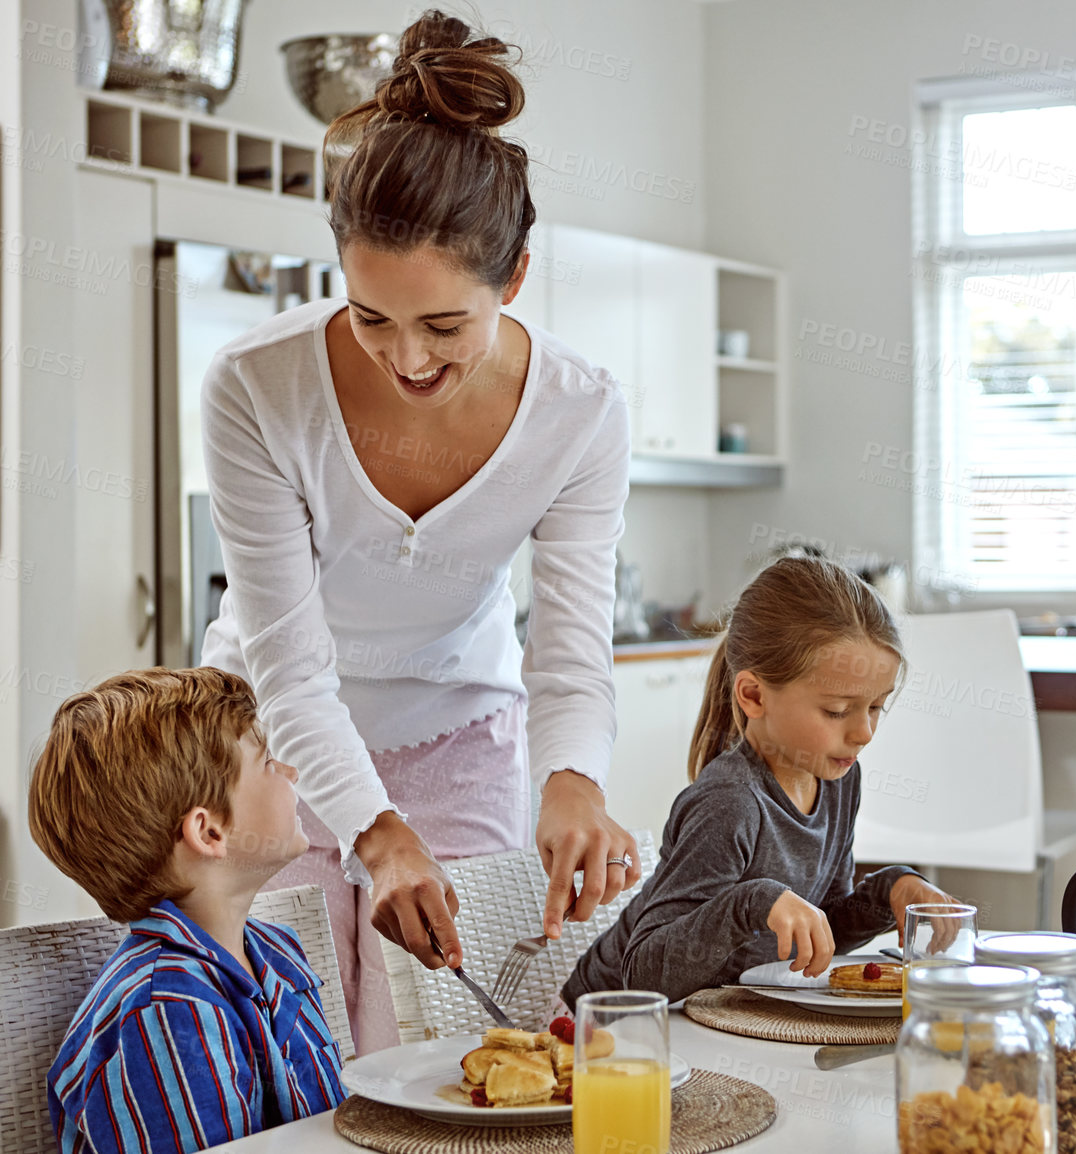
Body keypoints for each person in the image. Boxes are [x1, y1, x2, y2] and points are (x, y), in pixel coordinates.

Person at [199, 11, 637, 1054]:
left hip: (459, 725)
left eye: (446, 324)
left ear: (515, 277)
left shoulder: (581, 410)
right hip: (269, 745)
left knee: (452, 1043)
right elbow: (291, 669)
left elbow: (570, 644)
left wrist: (572, 773)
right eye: (370, 317)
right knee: (294, 1045)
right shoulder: (256, 387)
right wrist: (375, 830)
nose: (407, 360)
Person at [562, 556, 958, 1005]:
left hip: (716, 1015)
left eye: (875, 708)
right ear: (753, 696)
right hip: (605, 1025)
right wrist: (757, 902)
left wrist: (889, 891)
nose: (864, 733)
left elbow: (820, 929)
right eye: (836, 711)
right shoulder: (730, 802)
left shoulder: (839, 778)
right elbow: (647, 971)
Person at [30, 668, 346, 1152]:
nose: (291, 772)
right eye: (266, 762)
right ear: (209, 832)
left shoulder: (280, 954)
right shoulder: (166, 1013)